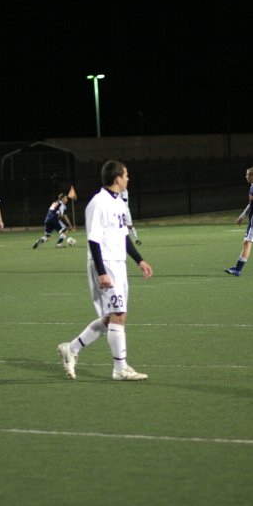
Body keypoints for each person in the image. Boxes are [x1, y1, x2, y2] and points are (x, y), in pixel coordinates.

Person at [57, 160, 153, 381]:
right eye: (126, 175)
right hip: (105, 263)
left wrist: (139, 260)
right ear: (117, 178)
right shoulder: (98, 203)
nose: (128, 178)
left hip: (118, 263)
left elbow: (123, 236)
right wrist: (101, 271)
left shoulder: (119, 202)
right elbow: (93, 240)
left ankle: (70, 349)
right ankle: (120, 369)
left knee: (113, 318)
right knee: (118, 314)